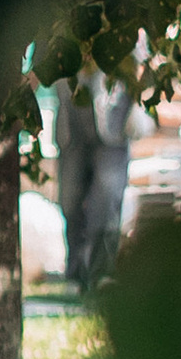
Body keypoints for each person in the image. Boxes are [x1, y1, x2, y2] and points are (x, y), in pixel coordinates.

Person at [54, 73, 136, 293]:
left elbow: (140, 64)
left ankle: (102, 273)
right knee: (70, 201)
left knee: (107, 200)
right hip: (71, 129)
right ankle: (76, 273)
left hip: (112, 128)